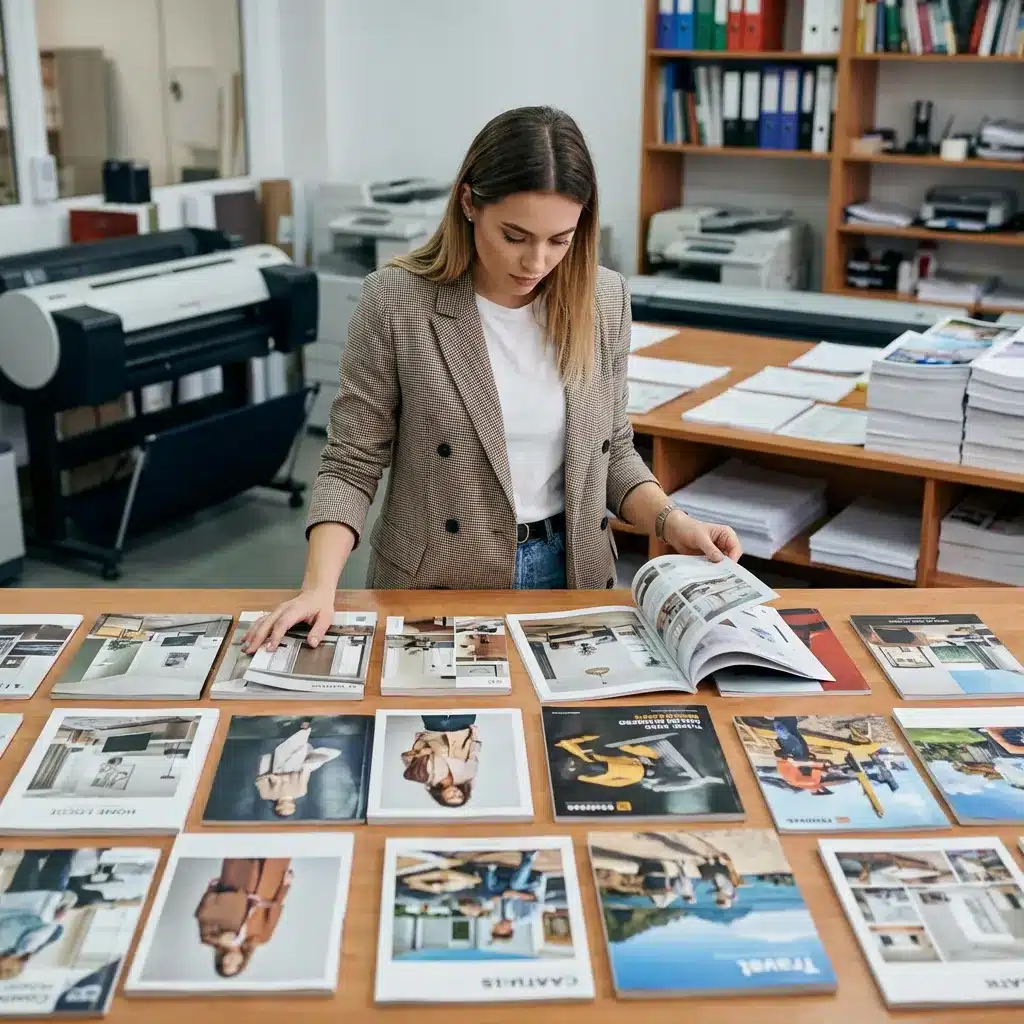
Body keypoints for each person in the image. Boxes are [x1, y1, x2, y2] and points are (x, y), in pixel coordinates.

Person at [244, 105, 741, 654]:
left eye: (560, 240)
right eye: (515, 235)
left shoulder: (603, 300)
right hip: (439, 580)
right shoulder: (396, 301)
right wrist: (319, 587)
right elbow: (351, 462)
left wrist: (673, 523)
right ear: (468, 204)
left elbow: (612, 452)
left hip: (572, 573)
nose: (536, 261)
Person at [194, 858, 292, 978]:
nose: (232, 961)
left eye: (227, 964)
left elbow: (206, 907)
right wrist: (285, 887)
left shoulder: (210, 935)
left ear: (221, 960)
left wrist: (219, 939)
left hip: (239, 877)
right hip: (270, 880)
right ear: (242, 963)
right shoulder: (261, 938)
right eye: (236, 966)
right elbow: (276, 908)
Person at [254, 719, 340, 817]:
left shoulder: (267, 794)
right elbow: (305, 774)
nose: (287, 806)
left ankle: (295, 726)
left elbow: (260, 780)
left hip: (277, 765)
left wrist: (273, 778)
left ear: (277, 808)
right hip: (295, 765)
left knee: (286, 745)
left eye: (284, 809)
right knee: (298, 745)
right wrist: (308, 764)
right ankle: (304, 725)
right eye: (290, 808)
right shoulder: (300, 792)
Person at [401, 715, 480, 807]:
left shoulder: (426, 777)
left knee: (429, 701)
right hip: (462, 730)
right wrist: (475, 736)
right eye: (460, 796)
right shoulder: (468, 775)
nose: (455, 794)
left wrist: (420, 746)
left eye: (451, 797)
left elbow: (411, 757)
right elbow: (473, 754)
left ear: (441, 797)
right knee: (467, 701)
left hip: (434, 731)